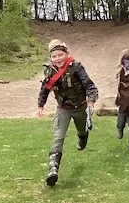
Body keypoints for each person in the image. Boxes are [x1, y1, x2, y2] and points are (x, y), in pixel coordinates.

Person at [37, 39, 98, 187]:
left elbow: (89, 85)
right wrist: (41, 105)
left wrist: (91, 102)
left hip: (80, 107)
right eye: (54, 56)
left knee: (82, 130)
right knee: (58, 136)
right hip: (63, 108)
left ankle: (82, 138)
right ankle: (53, 169)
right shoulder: (50, 71)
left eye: (60, 55)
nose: (57, 59)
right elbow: (45, 88)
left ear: (66, 54)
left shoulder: (76, 67)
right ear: (51, 58)